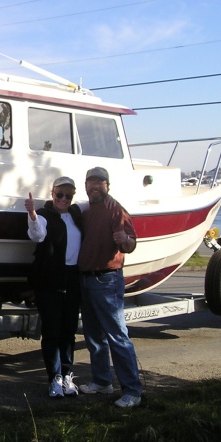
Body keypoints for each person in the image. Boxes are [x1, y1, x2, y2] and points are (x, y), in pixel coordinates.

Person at [76, 166, 143, 408]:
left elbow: (130, 244)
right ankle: (102, 382)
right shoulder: (87, 210)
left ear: (107, 185)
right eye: (90, 182)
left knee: (117, 336)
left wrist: (125, 241)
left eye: (99, 182)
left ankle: (132, 391)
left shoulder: (116, 210)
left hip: (107, 280)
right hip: (86, 278)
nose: (94, 186)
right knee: (94, 335)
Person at [24, 176, 84, 398]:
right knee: (51, 331)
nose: (64, 199)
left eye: (69, 195)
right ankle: (54, 378)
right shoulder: (45, 215)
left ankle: (68, 375)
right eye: (60, 194)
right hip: (50, 280)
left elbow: (95, 201)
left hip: (73, 279)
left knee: (69, 331)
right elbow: (37, 235)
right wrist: (32, 214)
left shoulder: (77, 214)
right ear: (53, 194)